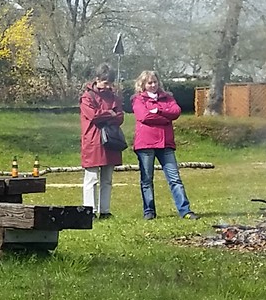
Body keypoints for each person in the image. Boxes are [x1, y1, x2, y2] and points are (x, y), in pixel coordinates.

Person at [132, 69, 197, 220]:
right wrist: (165, 118)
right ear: (143, 84)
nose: (153, 85)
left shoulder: (167, 97)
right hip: (146, 144)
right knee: (147, 179)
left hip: (165, 143)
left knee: (175, 178)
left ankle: (185, 210)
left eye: (155, 82)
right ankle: (149, 211)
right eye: (149, 83)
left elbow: (176, 112)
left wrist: (158, 111)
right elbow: (144, 117)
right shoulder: (138, 99)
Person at [79, 64, 124, 218]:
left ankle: (104, 211)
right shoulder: (87, 97)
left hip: (111, 141)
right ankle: (89, 211)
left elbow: (120, 117)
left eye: (110, 83)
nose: (108, 86)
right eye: (105, 82)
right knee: (91, 178)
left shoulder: (115, 97)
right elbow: (93, 116)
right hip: (93, 141)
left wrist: (107, 114)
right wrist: (110, 113)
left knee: (107, 179)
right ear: (97, 80)